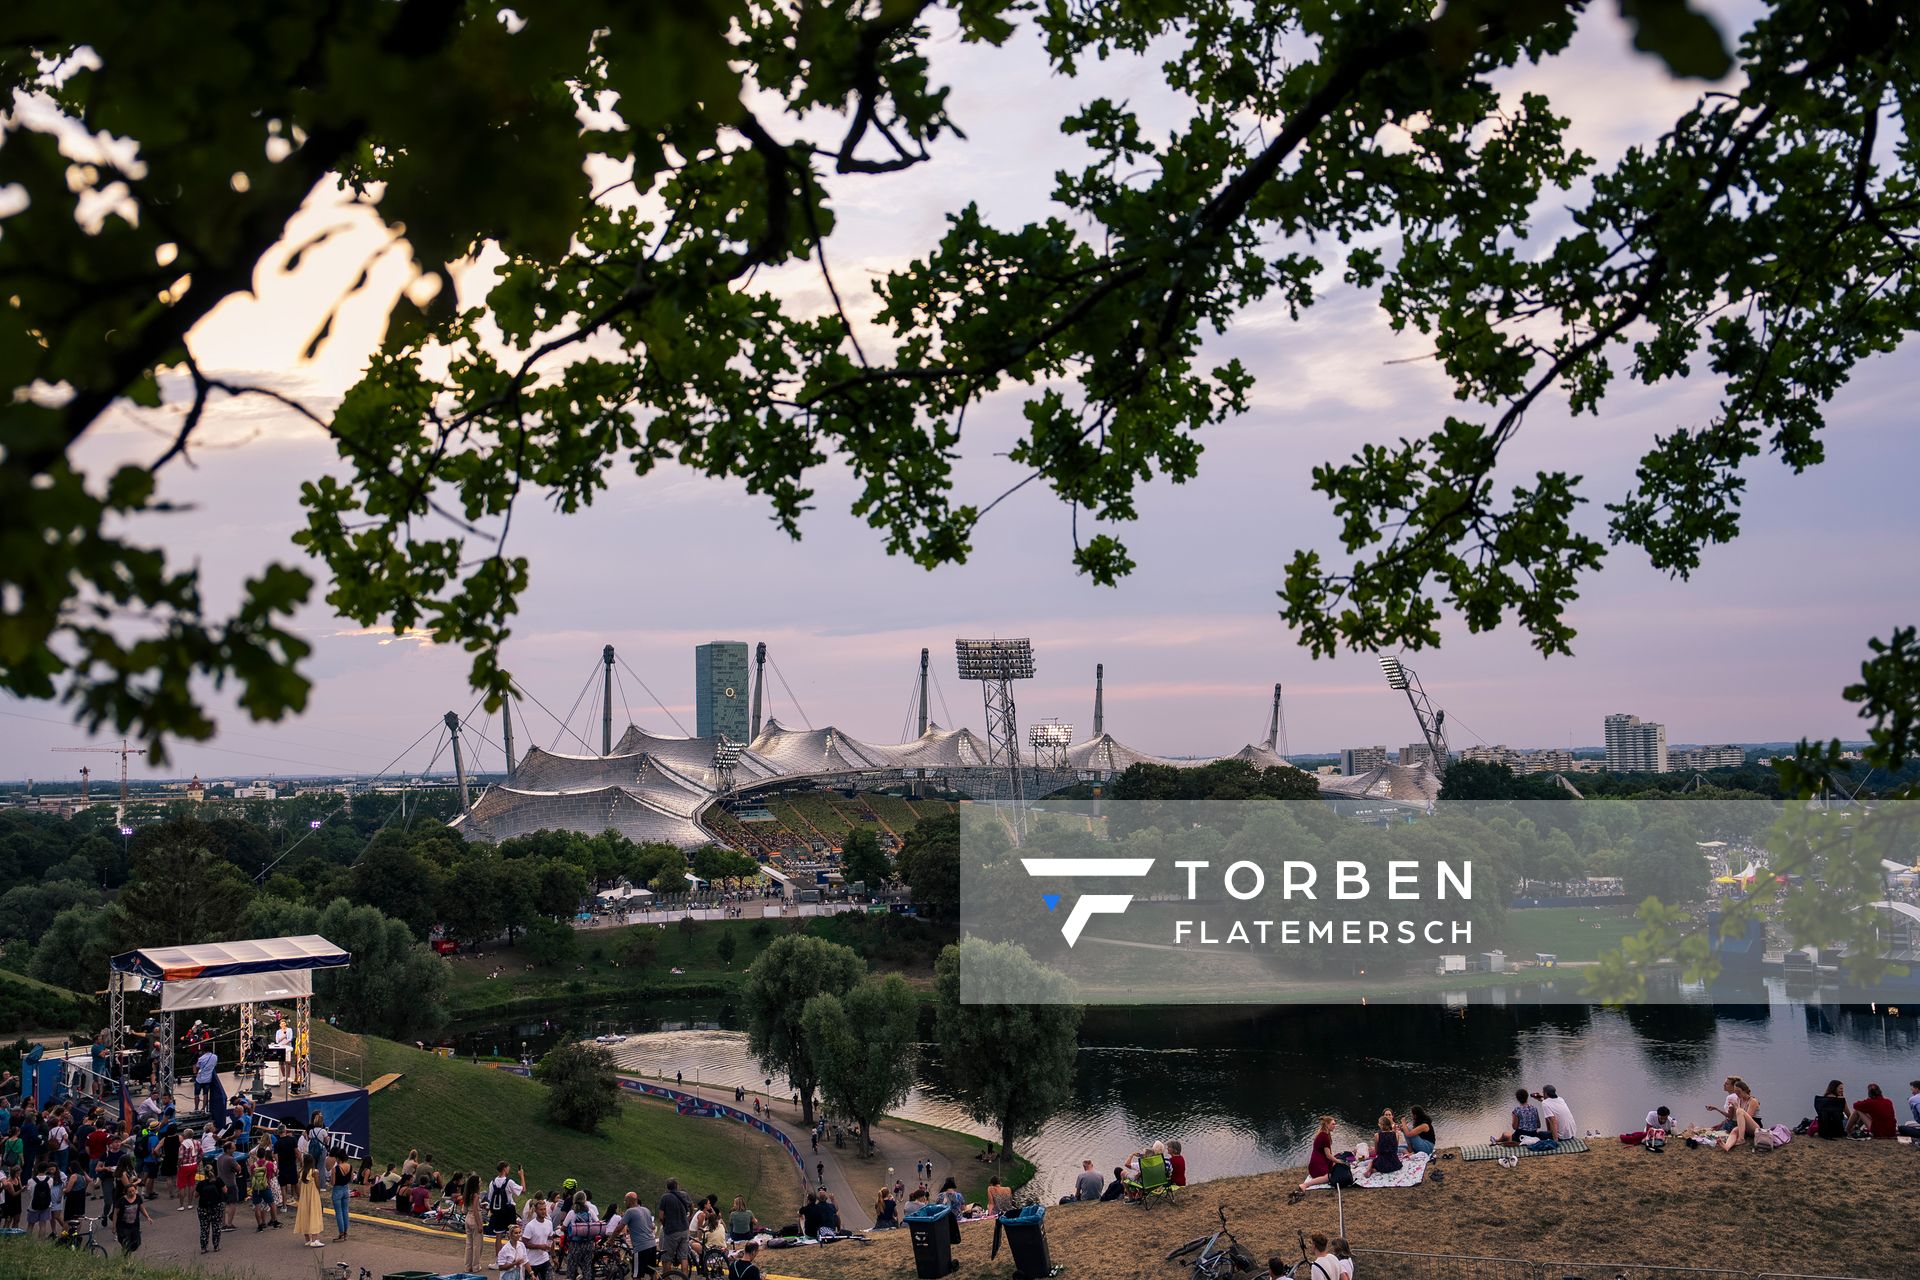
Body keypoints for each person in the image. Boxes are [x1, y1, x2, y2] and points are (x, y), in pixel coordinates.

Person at [615, 1190, 658, 1278]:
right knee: (651, 1272)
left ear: (629, 1201)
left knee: (636, 1275)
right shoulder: (646, 1210)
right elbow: (651, 1227)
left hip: (641, 1248)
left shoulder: (630, 1211)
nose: (624, 1203)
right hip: (652, 1245)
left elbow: (619, 1227)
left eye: (625, 1201)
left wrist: (610, 1240)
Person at [1297, 1116, 1345, 1192]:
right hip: (1318, 1165)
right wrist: (1338, 1161)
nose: (1334, 1126)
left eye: (1335, 1124)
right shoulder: (1324, 1136)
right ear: (1326, 1124)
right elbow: (1328, 1155)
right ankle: (1305, 1185)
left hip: (1318, 1162)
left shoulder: (1323, 1134)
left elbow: (1326, 1154)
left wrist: (1334, 1162)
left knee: (1335, 1165)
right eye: (1333, 1124)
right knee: (1327, 1177)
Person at [658, 1177, 694, 1269]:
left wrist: (664, 1224)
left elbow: (661, 1216)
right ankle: (685, 1277)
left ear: (667, 1187)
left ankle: (667, 1276)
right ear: (677, 1186)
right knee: (683, 1257)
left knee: (667, 1257)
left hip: (671, 1230)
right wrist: (689, 1217)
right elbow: (691, 1205)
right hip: (685, 1229)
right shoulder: (684, 1194)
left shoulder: (665, 1197)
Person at [1720, 1080, 1764, 1151]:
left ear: (1744, 1091)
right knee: (1734, 1130)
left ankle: (1741, 1139)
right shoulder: (1739, 1099)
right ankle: (1727, 1146)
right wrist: (1732, 1108)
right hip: (1746, 1128)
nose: (1737, 1093)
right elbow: (1740, 1118)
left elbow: (1748, 1117)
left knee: (1739, 1111)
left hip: (1755, 1127)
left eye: (1738, 1091)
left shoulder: (1753, 1101)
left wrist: (1737, 1107)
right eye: (1735, 1091)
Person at [112, 1177, 151, 1254]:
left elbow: (142, 1208)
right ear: (126, 1193)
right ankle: (126, 1257)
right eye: (130, 1192)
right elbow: (115, 1213)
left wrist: (148, 1217)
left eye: (133, 1191)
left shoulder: (138, 1198)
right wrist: (114, 1226)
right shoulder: (121, 1201)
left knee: (136, 1243)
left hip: (135, 1225)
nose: (132, 1193)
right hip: (123, 1226)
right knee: (126, 1243)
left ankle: (128, 1252)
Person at [523, 1195, 557, 1280]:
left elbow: (551, 1239)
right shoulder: (530, 1226)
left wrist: (553, 1256)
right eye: (541, 1209)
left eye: (544, 1209)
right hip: (532, 1262)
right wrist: (540, 1246)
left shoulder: (549, 1223)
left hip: (545, 1260)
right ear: (536, 1210)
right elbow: (524, 1243)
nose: (543, 1211)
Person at [196, 1160, 227, 1253]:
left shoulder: (201, 1183)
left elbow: (196, 1195)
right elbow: (225, 1190)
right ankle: (216, 1246)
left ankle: (203, 1248)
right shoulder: (219, 1181)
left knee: (204, 1228)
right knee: (216, 1226)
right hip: (216, 1206)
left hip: (203, 1207)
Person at [296, 1154, 326, 1247]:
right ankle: (314, 1240)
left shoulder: (301, 1171)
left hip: (304, 1196)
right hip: (313, 1195)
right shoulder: (314, 1171)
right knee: (314, 1214)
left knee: (305, 1215)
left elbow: (298, 1183)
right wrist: (319, 1191)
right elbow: (317, 1184)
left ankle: (308, 1239)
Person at [489, 1161, 527, 1233]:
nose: (509, 1169)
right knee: (511, 1233)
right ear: (504, 1169)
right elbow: (523, 1190)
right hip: (509, 1210)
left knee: (498, 1234)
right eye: (508, 1168)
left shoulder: (492, 1182)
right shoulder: (509, 1182)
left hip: (497, 1211)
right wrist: (522, 1175)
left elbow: (490, 1198)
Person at [330, 1150, 353, 1240]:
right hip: (346, 1189)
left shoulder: (335, 1169)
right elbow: (351, 1179)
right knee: (345, 1211)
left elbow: (333, 1182)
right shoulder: (350, 1166)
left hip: (337, 1190)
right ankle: (346, 1232)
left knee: (338, 1212)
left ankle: (341, 1232)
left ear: (338, 1158)